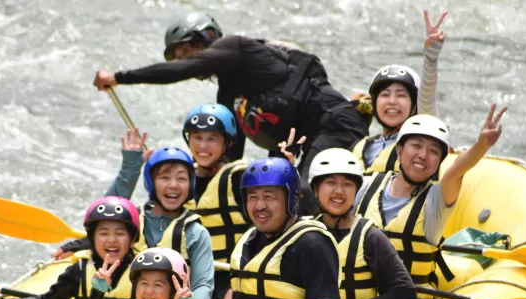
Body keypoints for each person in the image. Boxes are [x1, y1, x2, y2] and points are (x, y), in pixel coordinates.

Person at [92, 11, 368, 214]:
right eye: (178, 55)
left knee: (306, 191)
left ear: (207, 37)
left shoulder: (236, 48)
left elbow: (181, 71)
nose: (184, 60)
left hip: (334, 124)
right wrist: (174, 168)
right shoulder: (229, 93)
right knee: (271, 192)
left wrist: (118, 77)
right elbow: (227, 155)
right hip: (298, 143)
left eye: (186, 50)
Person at [355, 104, 508, 299]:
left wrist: (481, 145)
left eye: (433, 151)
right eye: (416, 146)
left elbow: (456, 172)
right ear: (399, 150)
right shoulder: (365, 186)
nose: (423, 155)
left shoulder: (436, 202)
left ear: (439, 162)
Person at [54, 145, 216, 299]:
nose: (173, 185)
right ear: (151, 182)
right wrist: (130, 168)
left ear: (190, 184)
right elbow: (104, 216)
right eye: (164, 178)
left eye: (181, 179)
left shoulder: (196, 232)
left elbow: (202, 283)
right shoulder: (132, 220)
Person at [210, 158, 340, 299]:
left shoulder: (312, 243)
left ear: (290, 199)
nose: (260, 205)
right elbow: (241, 285)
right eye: (253, 197)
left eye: (269, 197)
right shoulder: (249, 238)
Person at [306, 148, 417, 299]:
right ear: (315, 188)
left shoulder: (370, 236)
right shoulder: (304, 232)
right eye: (330, 183)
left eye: (347, 185)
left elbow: (404, 290)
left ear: (356, 191)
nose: (339, 191)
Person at [0, 196, 140, 299]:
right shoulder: (78, 271)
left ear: (132, 239)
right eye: (103, 233)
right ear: (91, 239)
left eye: (120, 233)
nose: (111, 240)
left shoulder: (141, 274)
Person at [352, 10, 447, 174]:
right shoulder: (362, 146)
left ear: (414, 104)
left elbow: (427, 96)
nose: (392, 101)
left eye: (401, 95)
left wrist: (431, 57)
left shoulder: (424, 140)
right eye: (385, 94)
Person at [182, 103, 251, 299]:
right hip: (188, 279)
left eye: (212, 139)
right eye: (197, 137)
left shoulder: (239, 178)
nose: (203, 146)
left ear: (227, 143)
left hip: (231, 279)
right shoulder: (179, 179)